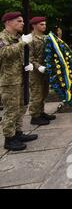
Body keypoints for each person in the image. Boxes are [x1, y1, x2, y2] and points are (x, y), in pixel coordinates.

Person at [0, 12, 37, 151]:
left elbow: (21, 56)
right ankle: (9, 139)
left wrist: (27, 64)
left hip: (21, 78)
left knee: (21, 107)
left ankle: (18, 133)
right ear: (8, 22)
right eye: (19, 21)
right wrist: (23, 43)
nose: (22, 23)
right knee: (11, 110)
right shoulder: (2, 37)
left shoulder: (17, 37)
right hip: (9, 81)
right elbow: (5, 53)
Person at [29, 16, 55, 126]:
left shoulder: (45, 37)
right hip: (35, 72)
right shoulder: (29, 39)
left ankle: (41, 112)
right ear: (34, 25)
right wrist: (38, 66)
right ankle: (35, 116)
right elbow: (28, 57)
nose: (44, 26)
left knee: (44, 92)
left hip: (46, 70)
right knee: (36, 93)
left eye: (44, 24)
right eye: (41, 24)